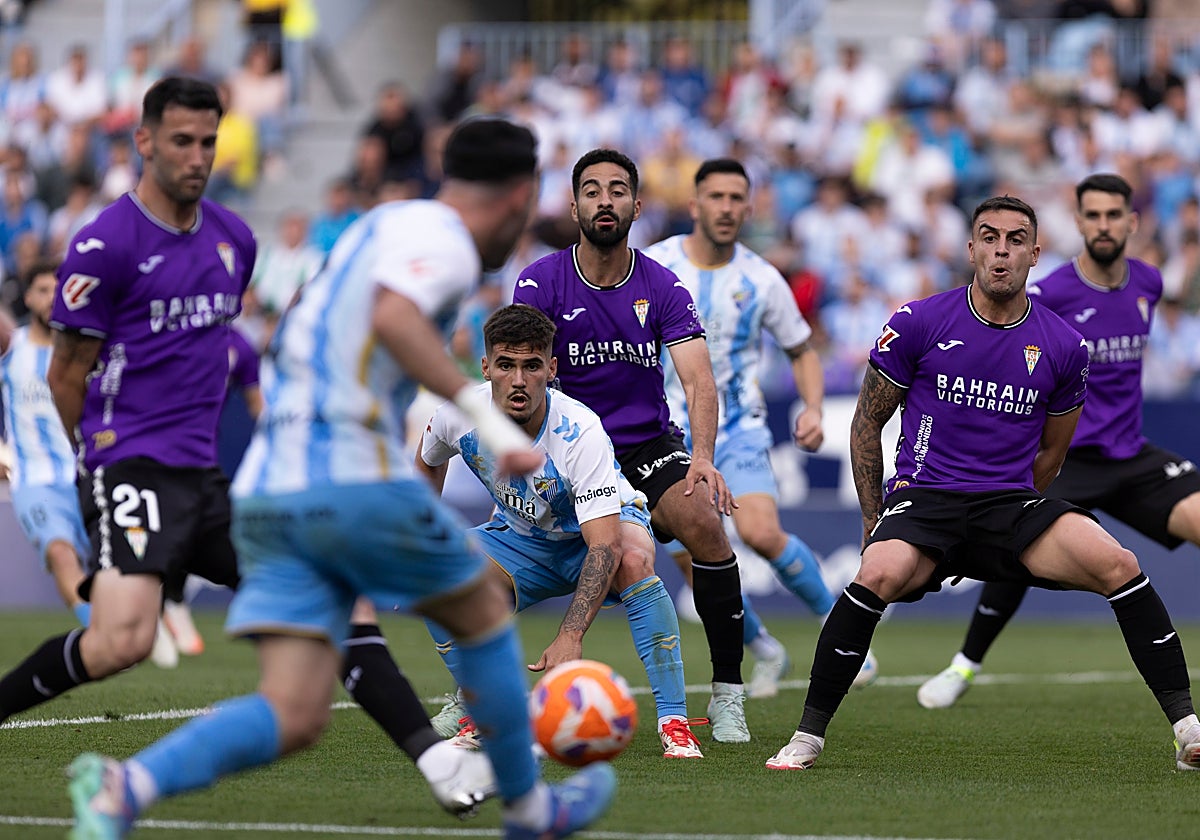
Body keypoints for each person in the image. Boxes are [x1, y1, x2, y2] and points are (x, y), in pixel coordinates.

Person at [66, 117, 617, 840]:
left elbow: (320, 316)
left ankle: (123, 787)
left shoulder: (379, 224)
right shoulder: (449, 244)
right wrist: (485, 425)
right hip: (348, 473)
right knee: (484, 607)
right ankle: (530, 811)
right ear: (519, 196)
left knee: (293, 711)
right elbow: (394, 317)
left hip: (266, 488)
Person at [765, 194, 1200, 772]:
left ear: (1035, 254)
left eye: (1015, 239)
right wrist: (875, 522)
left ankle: (1188, 731)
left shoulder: (1064, 346)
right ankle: (809, 735)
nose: (1001, 250)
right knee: (878, 572)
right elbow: (867, 424)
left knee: (1118, 563)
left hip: (1010, 505)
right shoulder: (918, 321)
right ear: (971, 248)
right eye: (989, 237)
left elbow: (1053, 452)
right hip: (926, 500)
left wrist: (1017, 509)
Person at [0, 76, 255, 734]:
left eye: (208, 142)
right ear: (143, 141)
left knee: (302, 593)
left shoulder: (235, 241)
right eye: (182, 140)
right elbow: (67, 375)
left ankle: (424, 745)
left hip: (196, 473)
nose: (199, 156)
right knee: (108, 623)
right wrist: (94, 459)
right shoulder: (101, 246)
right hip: (97, 466)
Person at [918, 173, 1200, 710]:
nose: (1103, 225)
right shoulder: (1049, 294)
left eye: (1113, 214)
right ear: (1078, 223)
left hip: (1130, 454)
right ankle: (965, 665)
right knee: (1019, 552)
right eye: (1092, 215)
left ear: (1131, 222)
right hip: (1065, 457)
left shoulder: (1149, 282)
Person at [514, 148, 750, 743]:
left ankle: (727, 693)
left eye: (617, 191)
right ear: (574, 206)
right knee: (507, 569)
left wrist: (701, 458)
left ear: (636, 206)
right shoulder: (540, 281)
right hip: (567, 455)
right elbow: (518, 372)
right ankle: (471, 701)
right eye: (592, 191)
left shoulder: (662, 285)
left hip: (645, 448)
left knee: (706, 522)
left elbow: (698, 379)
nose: (604, 201)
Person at [421, 303, 704, 759]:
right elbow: (428, 461)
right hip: (521, 540)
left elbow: (604, 545)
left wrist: (571, 635)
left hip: (599, 534)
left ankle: (674, 721)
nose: (518, 379)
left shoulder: (580, 430)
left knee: (633, 557)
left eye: (532, 366)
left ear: (551, 369)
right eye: (507, 365)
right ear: (486, 367)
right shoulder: (456, 413)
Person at [642, 158, 877, 700]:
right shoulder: (656, 264)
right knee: (702, 566)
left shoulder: (762, 279)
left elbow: (802, 350)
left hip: (739, 428)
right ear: (695, 204)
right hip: (666, 436)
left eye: (735, 199)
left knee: (760, 533)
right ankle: (768, 650)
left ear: (749, 207)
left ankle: (840, 629)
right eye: (716, 197)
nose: (726, 208)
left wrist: (814, 407)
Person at [0, 259, 85, 624]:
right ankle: (96, 629)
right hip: (34, 480)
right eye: (43, 291)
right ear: (28, 298)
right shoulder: (11, 347)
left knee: (116, 569)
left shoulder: (84, 348)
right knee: (60, 554)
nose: (52, 298)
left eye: (59, 290)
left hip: (86, 476)